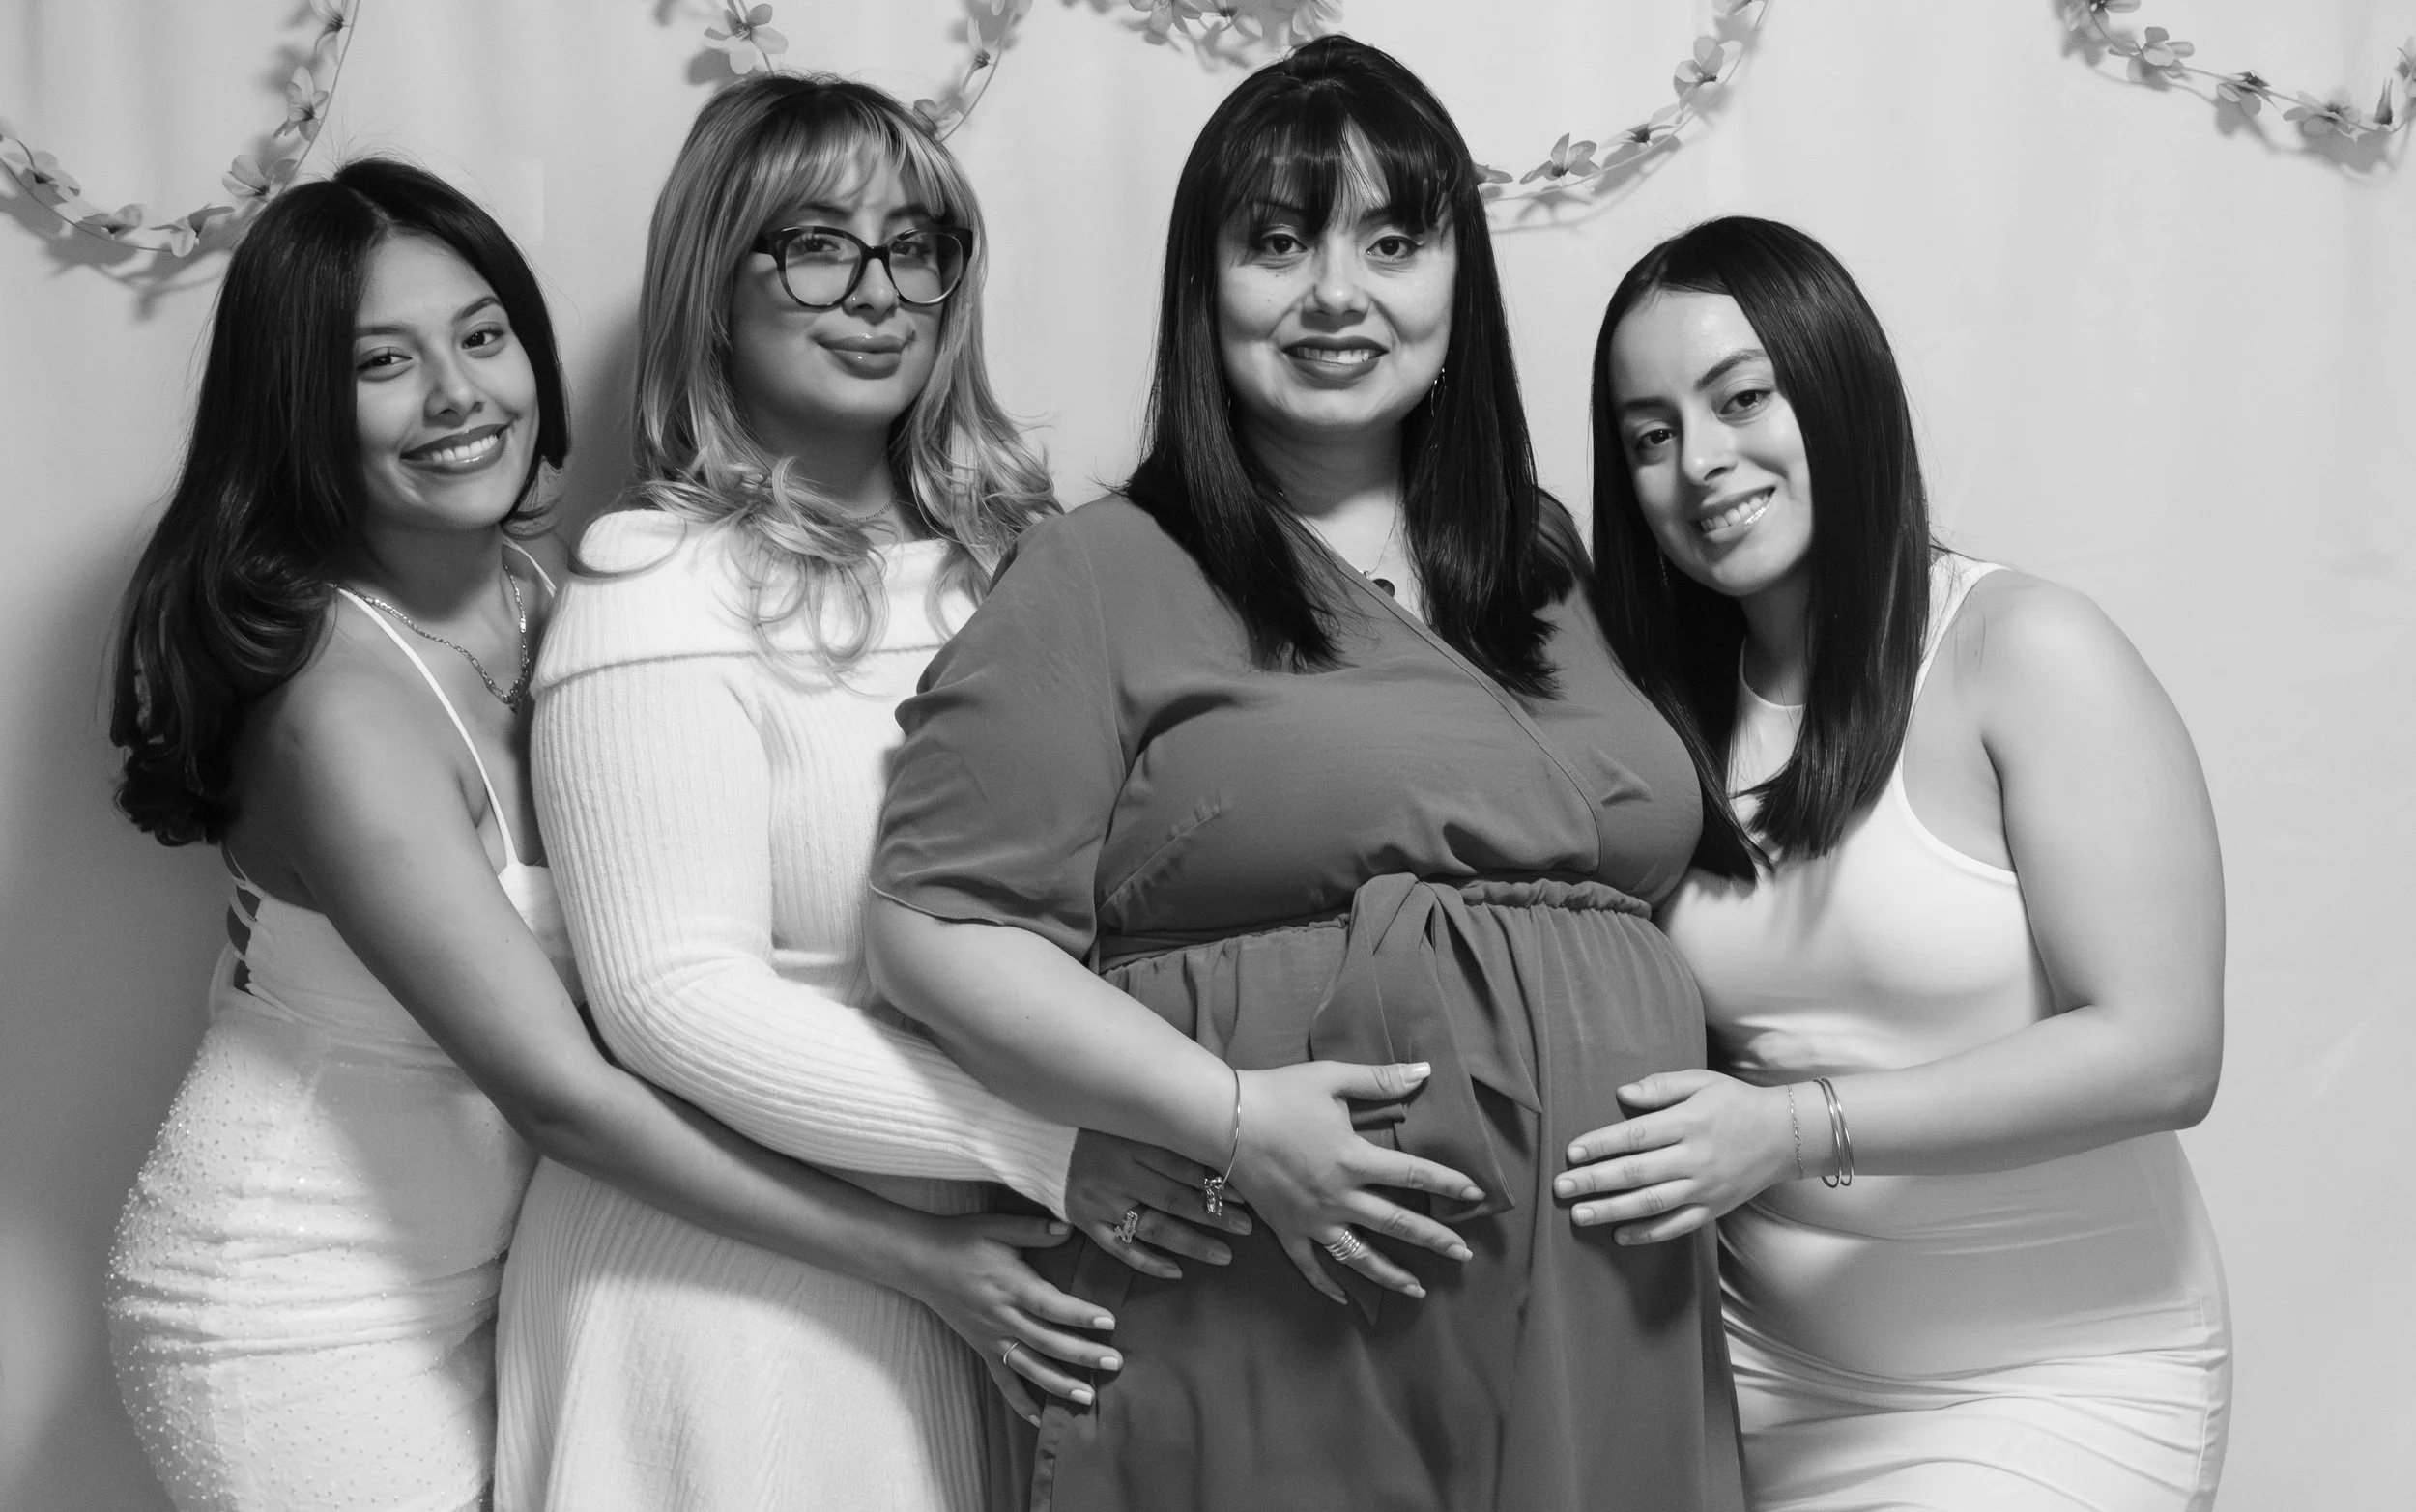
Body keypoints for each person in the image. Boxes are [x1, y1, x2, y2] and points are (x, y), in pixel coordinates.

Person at [102, 158, 1108, 1512]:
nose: (459, 396)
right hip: (303, 1300)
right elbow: (562, 1091)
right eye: (380, 363)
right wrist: (928, 1258)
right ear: (294, 411)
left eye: (482, 336)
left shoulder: (553, 592)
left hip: (506, 1262)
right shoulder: (335, 712)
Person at [866, 36, 1747, 1512]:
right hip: (1278, 1290)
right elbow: (931, 928)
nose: (1338, 293)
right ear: (1204, 292)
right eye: (1277, 243)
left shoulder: (1540, 561)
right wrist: (1235, 1124)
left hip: (1607, 1306)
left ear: (1456, 282)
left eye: (1392, 242)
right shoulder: (1097, 573)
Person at [491, 74, 1242, 1512]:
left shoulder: (1032, 564)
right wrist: (1047, 1149)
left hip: (978, 1280)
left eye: (919, 246)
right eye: (818, 245)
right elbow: (668, 1000)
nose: (880, 293)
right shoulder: (656, 588)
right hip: (730, 1296)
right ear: (717, 280)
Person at [1569, 214, 2230, 1510]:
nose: (1702, 462)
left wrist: (1789, 1127)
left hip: (2057, 1382)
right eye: (1651, 436)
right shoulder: (1650, 713)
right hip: (1754, 1374)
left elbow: (2165, 1050)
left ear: (1836, 383)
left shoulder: (2023, 651)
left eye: (1743, 398)